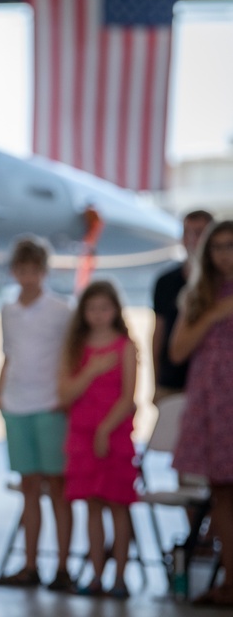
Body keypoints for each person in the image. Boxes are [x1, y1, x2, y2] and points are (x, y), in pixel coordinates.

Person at [0, 237, 73, 590]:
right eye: (22, 270)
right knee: (28, 488)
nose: (28, 277)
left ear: (44, 271)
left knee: (58, 488)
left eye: (34, 271)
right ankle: (29, 564)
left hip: (51, 404)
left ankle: (64, 566)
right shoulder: (8, 310)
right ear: (15, 271)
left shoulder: (61, 310)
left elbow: (71, 355)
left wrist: (65, 394)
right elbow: (9, 353)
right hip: (17, 403)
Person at [58, 280, 137, 599]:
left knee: (118, 505)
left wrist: (106, 429)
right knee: (91, 507)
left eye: (105, 308)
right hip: (81, 435)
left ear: (116, 311)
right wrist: (90, 371)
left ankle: (120, 575)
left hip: (114, 434)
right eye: (92, 308)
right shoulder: (77, 348)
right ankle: (96, 575)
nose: (99, 314)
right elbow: (65, 395)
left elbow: (129, 397)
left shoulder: (125, 346)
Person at [168, 220, 233, 607]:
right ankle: (229, 581)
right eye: (219, 246)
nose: (226, 253)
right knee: (221, 493)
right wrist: (214, 314)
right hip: (212, 402)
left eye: (232, 245)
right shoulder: (199, 296)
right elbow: (176, 351)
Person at [151, 210, 213, 401]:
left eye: (200, 233)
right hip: (173, 381)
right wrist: (156, 381)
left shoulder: (223, 284)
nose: (194, 239)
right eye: (188, 233)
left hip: (213, 383)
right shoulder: (166, 281)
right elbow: (158, 333)